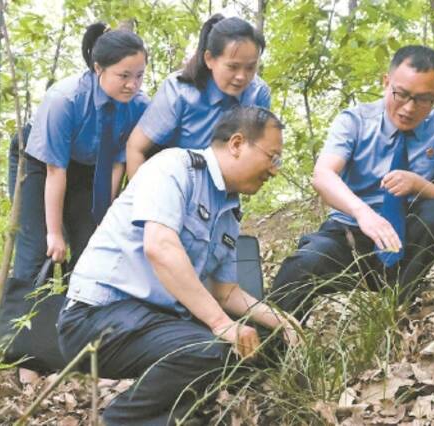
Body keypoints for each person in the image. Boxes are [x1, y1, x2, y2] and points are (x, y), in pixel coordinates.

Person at [58, 106, 298, 426]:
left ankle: (182, 415)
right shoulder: (174, 168)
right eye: (272, 157)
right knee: (211, 349)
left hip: (152, 322)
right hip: (98, 315)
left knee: (258, 342)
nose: (274, 170)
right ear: (238, 144)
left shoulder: (229, 210)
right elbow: (160, 247)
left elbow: (225, 292)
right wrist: (220, 324)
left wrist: (281, 321)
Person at [270, 45, 434, 319]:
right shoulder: (355, 121)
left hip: (404, 237)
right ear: (386, 82)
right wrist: (363, 213)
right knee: (302, 265)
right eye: (401, 94)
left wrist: (416, 183)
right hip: (349, 234)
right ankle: (269, 347)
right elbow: (323, 175)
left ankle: (398, 302)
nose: (409, 108)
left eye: (424, 99)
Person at [0, 23, 149, 376]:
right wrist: (54, 232)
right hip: (40, 164)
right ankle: (26, 358)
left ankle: (71, 347)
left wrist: (104, 217)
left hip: (89, 168)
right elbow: (54, 172)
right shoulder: (64, 99)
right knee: (38, 252)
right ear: (98, 69)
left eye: (139, 75)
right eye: (123, 75)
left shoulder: (138, 104)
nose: (132, 84)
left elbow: (117, 163)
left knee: (90, 249)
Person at [125, 14, 270, 179]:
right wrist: (142, 201)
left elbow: (252, 153)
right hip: (167, 180)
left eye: (250, 68)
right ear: (209, 59)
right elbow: (135, 148)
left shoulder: (257, 94)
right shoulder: (179, 91)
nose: (242, 77)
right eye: (233, 67)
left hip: (219, 185)